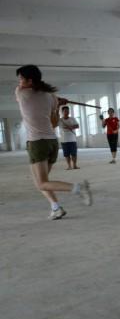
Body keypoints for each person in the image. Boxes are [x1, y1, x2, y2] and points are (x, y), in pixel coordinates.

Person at [15, 65, 92, 220]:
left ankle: (78, 188)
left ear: (30, 81)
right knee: (41, 181)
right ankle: (56, 208)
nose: (19, 82)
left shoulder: (21, 93)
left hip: (37, 143)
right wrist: (57, 104)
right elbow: (54, 123)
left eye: (21, 79)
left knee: (42, 183)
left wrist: (57, 102)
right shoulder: (50, 96)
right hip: (52, 143)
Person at [58, 105, 79, 170]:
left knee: (74, 153)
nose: (67, 112)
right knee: (66, 154)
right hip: (64, 140)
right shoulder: (60, 120)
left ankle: (74, 165)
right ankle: (69, 166)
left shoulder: (72, 119)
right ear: (62, 112)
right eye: (65, 111)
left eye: (67, 111)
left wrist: (71, 127)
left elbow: (77, 125)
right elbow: (54, 124)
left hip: (72, 139)